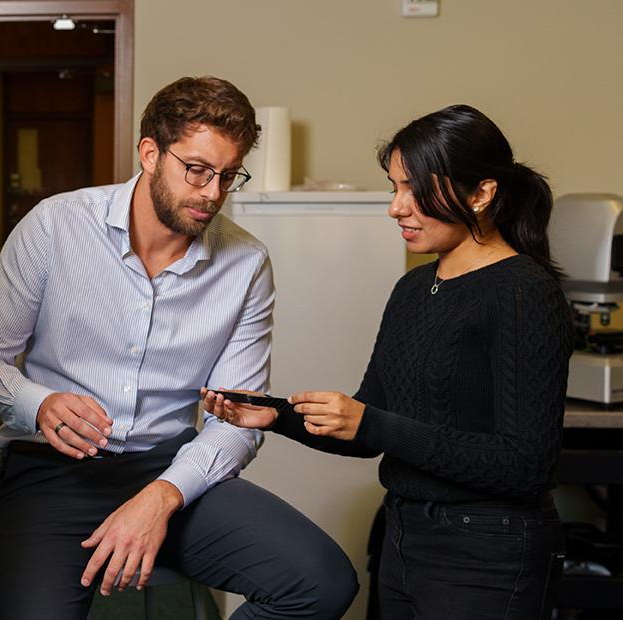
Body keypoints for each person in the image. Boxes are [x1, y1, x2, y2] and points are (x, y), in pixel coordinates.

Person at [0, 76, 357, 619]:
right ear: (149, 153)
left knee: (322, 583)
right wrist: (37, 402)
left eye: (228, 175)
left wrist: (164, 494)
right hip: (50, 470)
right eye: (197, 170)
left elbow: (239, 418)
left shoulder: (247, 263)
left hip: (170, 468)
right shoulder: (55, 225)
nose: (213, 193)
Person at [205, 104, 571, 619]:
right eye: (395, 187)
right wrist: (275, 415)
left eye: (415, 189)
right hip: (403, 536)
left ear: (481, 193)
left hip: (488, 551)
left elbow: (524, 464)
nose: (396, 207)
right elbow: (370, 425)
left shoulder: (523, 292)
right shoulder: (414, 288)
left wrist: (372, 422)